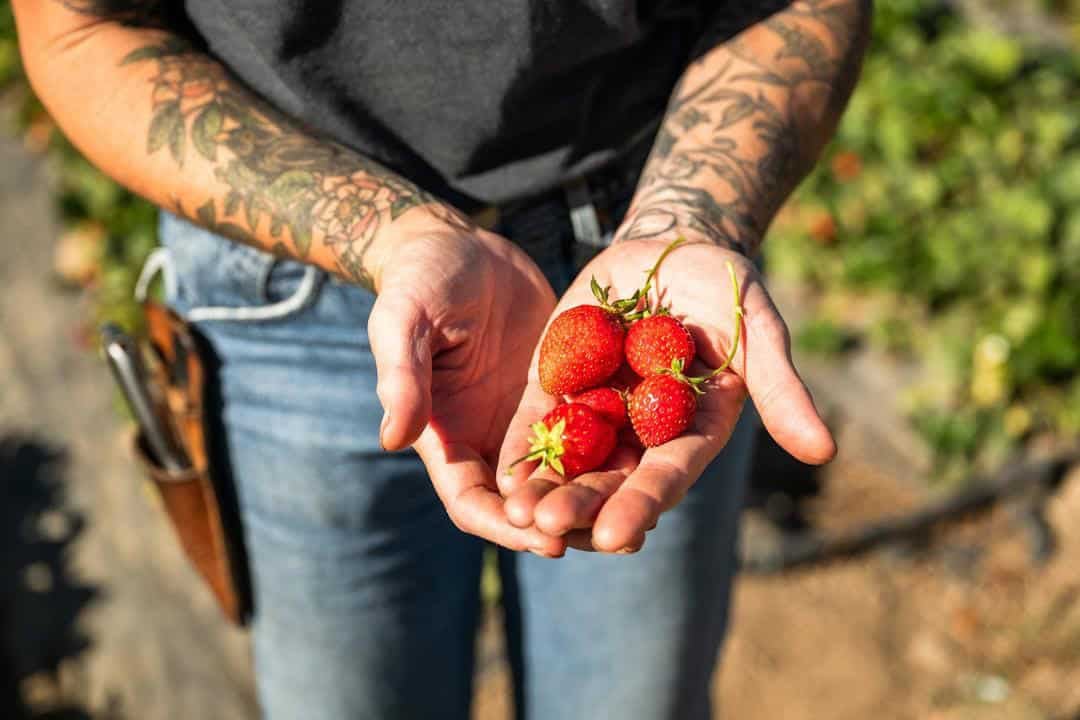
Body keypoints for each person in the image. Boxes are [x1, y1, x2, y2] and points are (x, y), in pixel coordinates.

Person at [14, 1, 871, 717]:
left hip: (644, 247)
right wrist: (389, 235)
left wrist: (691, 219)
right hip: (290, 290)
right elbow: (84, 29)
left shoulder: (654, 343)